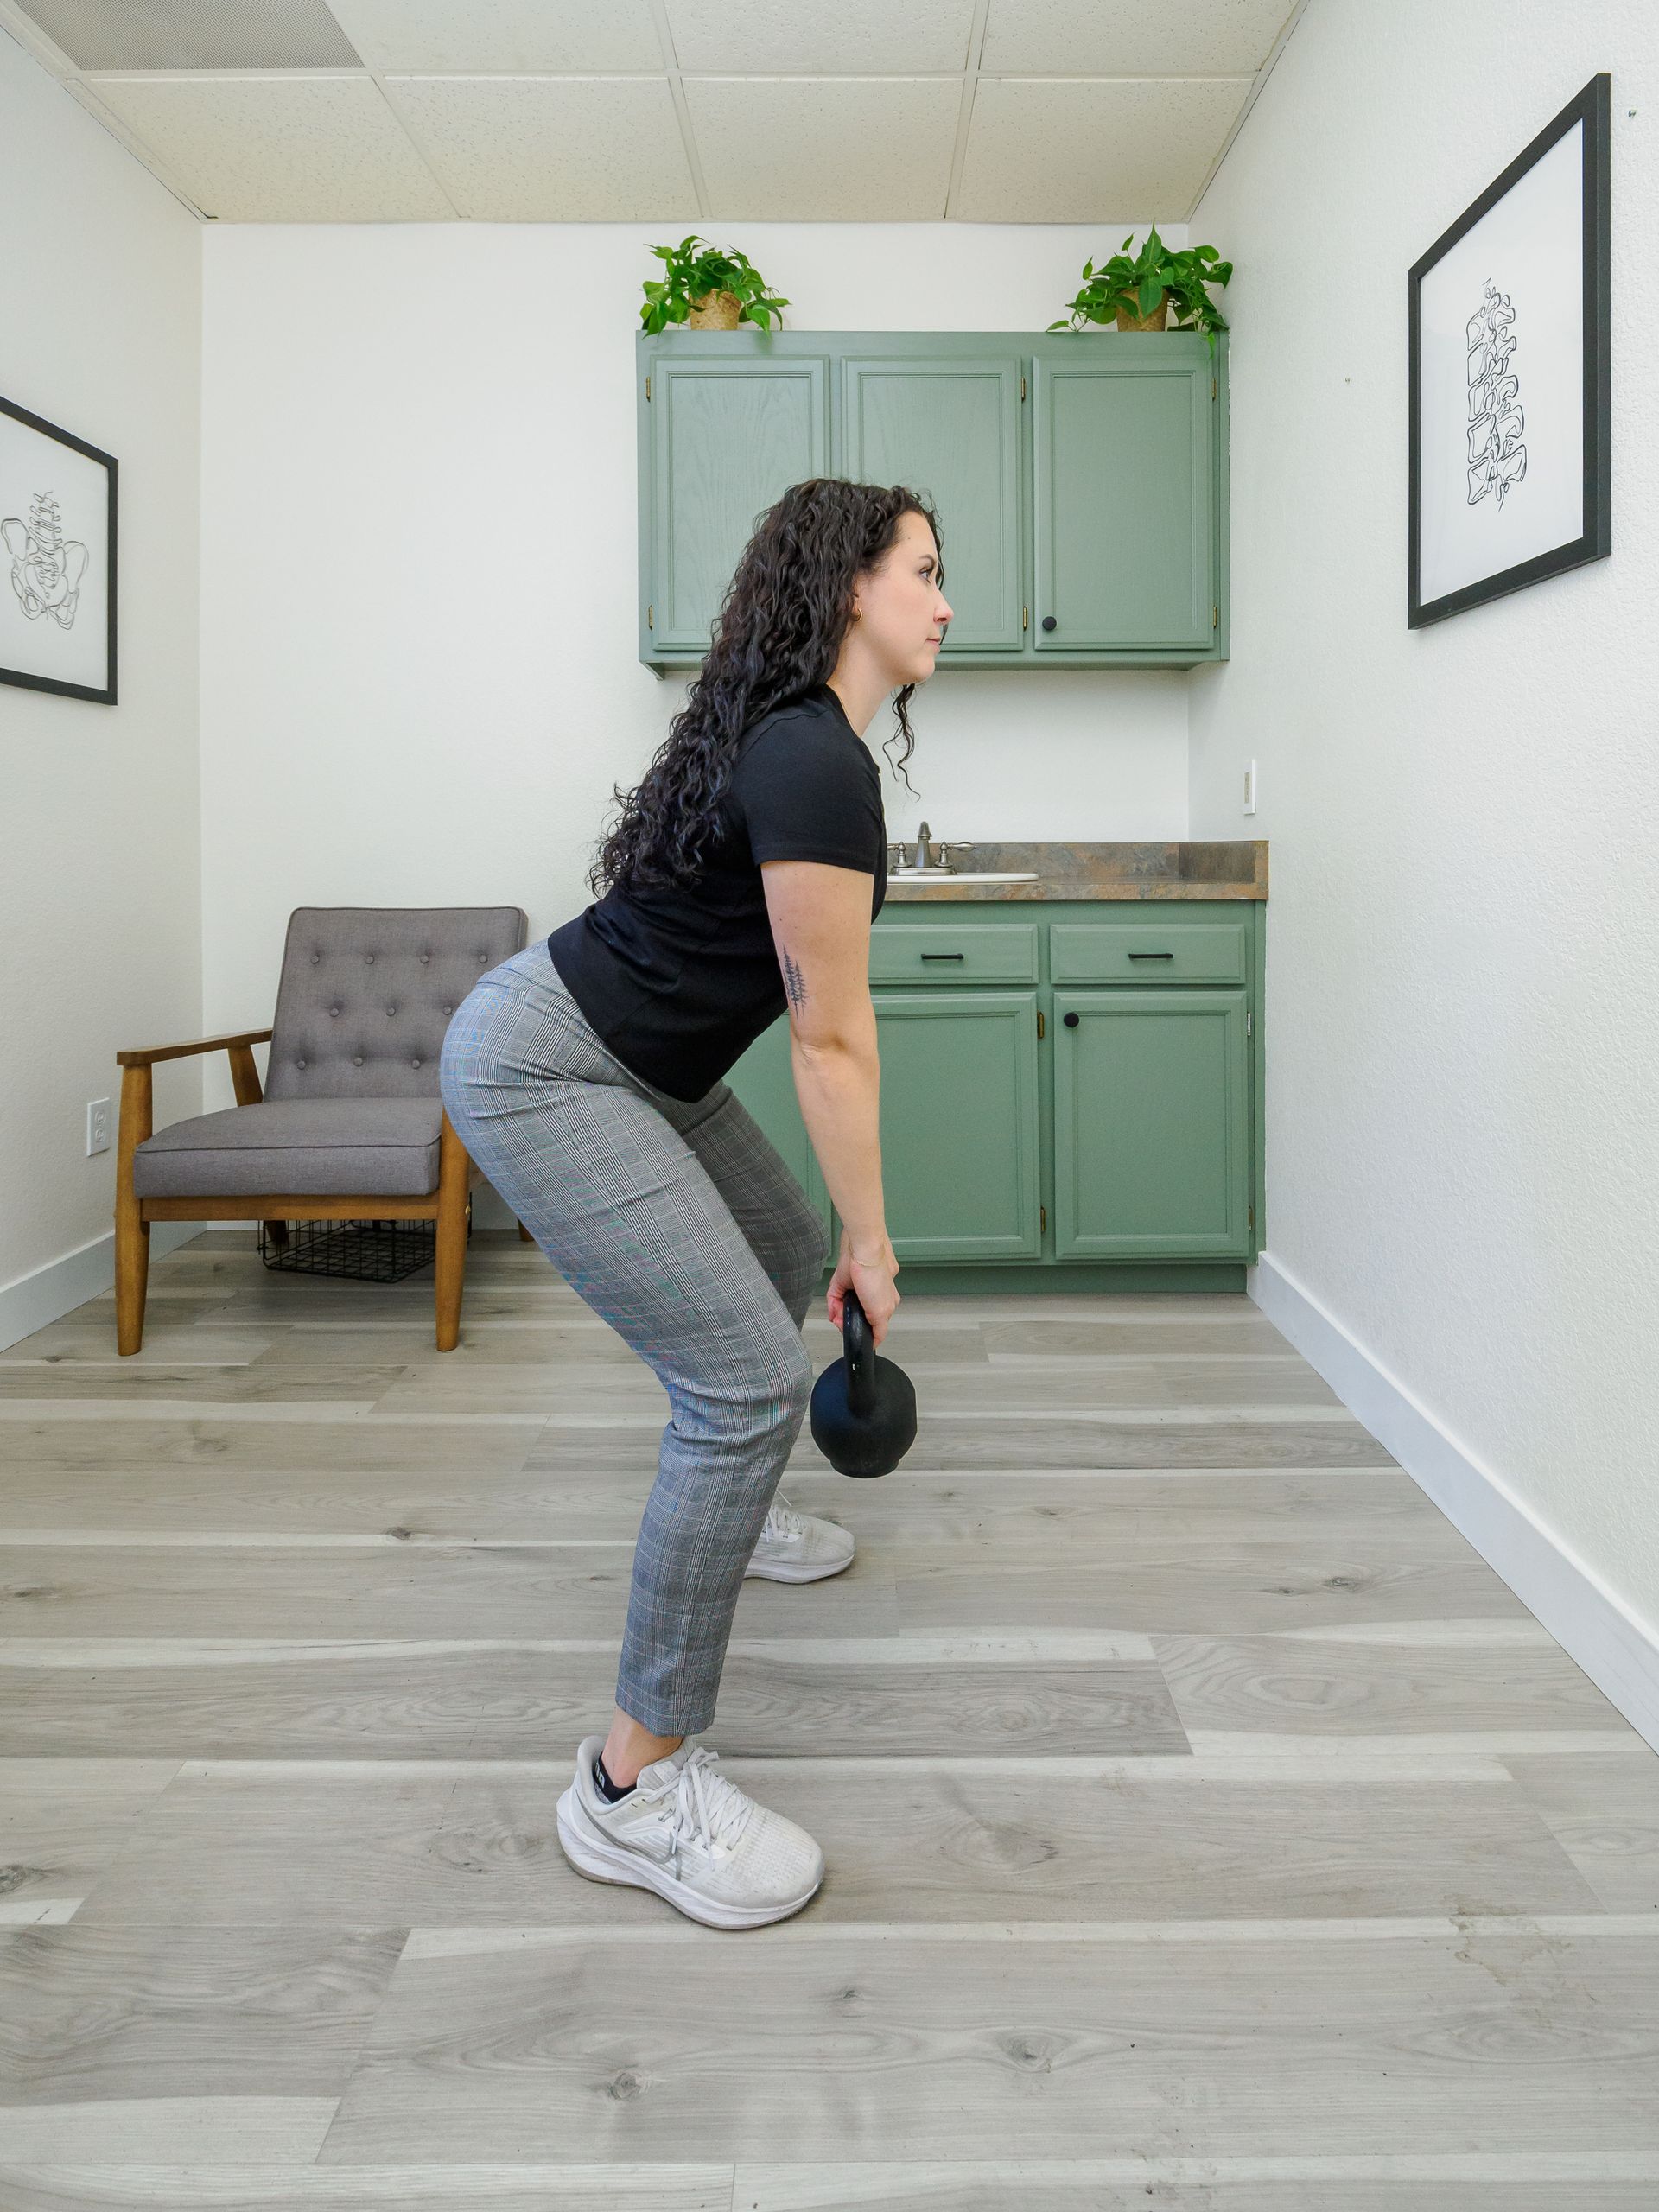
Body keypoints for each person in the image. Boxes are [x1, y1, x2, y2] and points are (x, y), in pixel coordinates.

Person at [439, 479, 953, 1930]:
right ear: (851, 586)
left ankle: (737, 1516)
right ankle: (631, 1785)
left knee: (776, 1251)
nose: (944, 599)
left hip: (632, 1065)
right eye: (924, 571)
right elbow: (829, 1038)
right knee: (739, 1385)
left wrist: (833, 1242)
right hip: (548, 1066)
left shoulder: (807, 745)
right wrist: (876, 1239)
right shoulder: (810, 761)